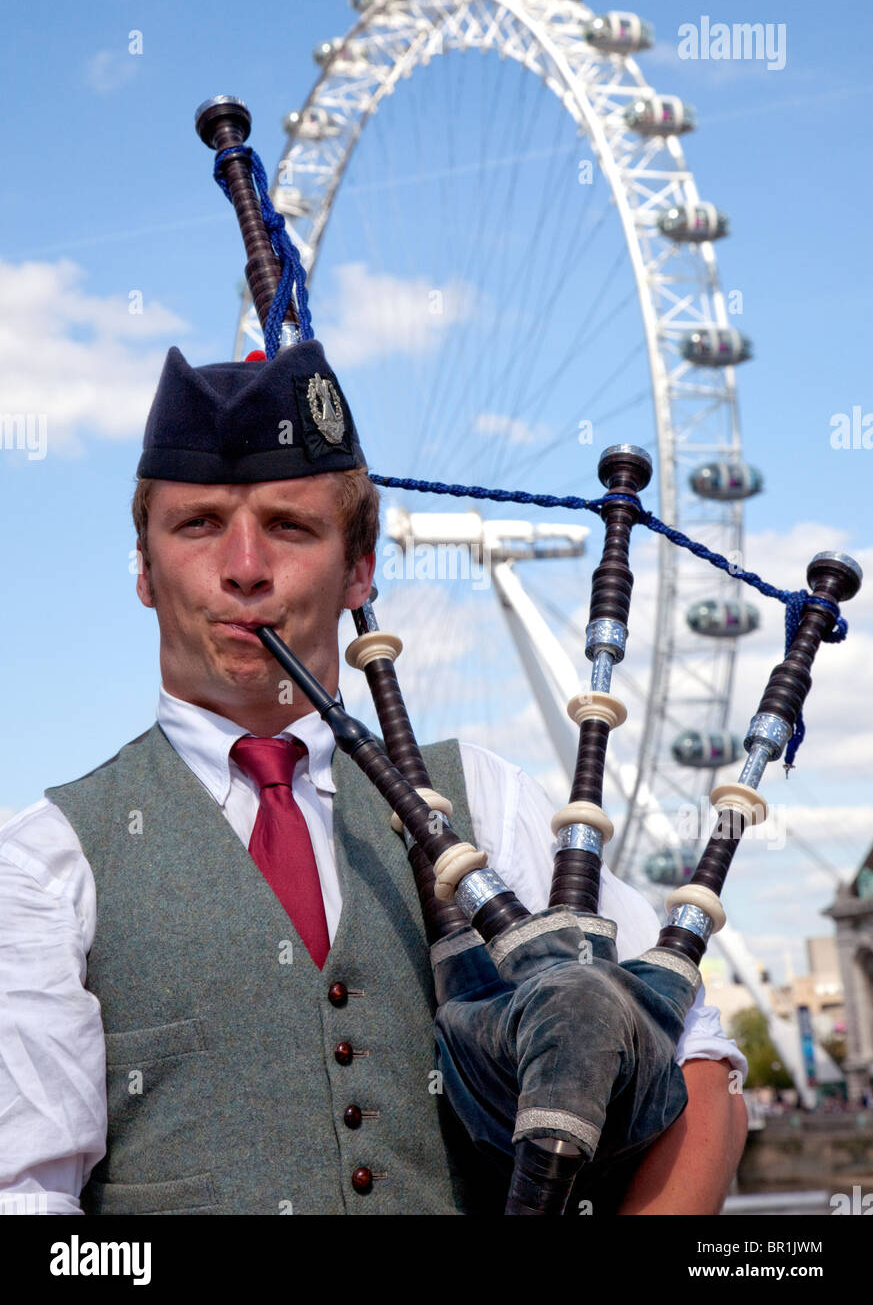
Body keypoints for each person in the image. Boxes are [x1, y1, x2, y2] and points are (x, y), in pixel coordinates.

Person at [0, 341, 747, 1216]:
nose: (244, 567)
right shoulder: (47, 862)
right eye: (198, 524)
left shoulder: (482, 798)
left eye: (290, 525)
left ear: (360, 570)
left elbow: (693, 1057)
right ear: (142, 566)